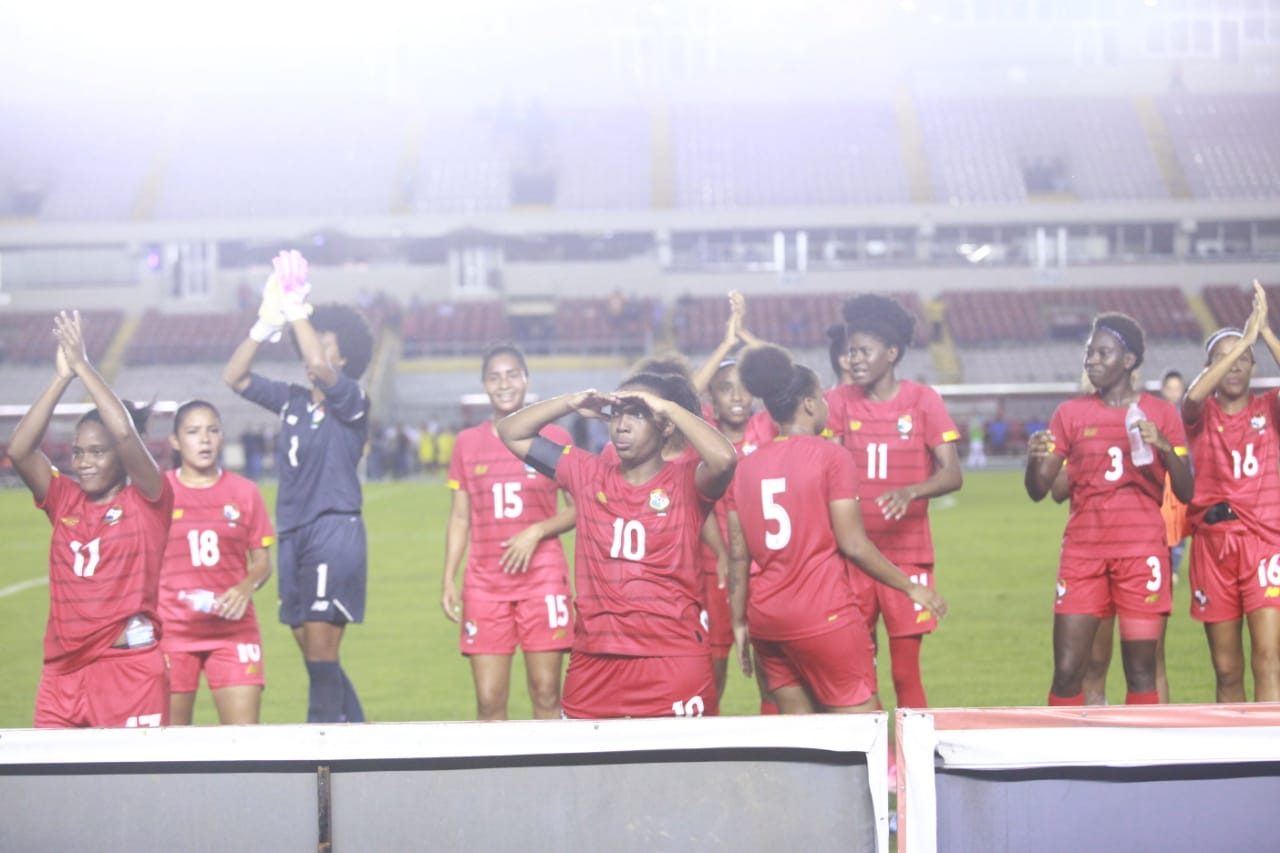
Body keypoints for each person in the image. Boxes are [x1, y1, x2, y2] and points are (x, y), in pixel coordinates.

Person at [496, 372, 737, 719]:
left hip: (670, 661)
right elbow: (511, 432)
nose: (622, 425)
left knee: (679, 758)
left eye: (637, 414)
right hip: (594, 663)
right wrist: (570, 402)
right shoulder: (586, 473)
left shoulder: (688, 483)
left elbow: (725, 459)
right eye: (617, 413)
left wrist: (667, 407)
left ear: (665, 425)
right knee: (581, 757)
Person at [727, 345, 947, 714]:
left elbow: (738, 554)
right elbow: (854, 544)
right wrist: (911, 587)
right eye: (822, 398)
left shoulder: (746, 467)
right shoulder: (831, 456)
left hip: (766, 618)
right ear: (809, 404)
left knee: (802, 735)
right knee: (863, 731)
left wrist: (738, 621)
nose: (828, 405)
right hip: (822, 613)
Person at [223, 250, 374, 723]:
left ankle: (319, 744)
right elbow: (234, 377)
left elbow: (320, 366)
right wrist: (265, 325)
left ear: (344, 356)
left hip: (332, 530)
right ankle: (359, 734)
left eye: (326, 344)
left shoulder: (352, 398)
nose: (316, 351)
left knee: (322, 652)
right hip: (291, 533)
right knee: (314, 654)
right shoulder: (291, 401)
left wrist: (297, 310)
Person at [7, 310, 172, 728]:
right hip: (61, 674)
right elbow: (20, 451)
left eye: (97, 452)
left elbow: (124, 433)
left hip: (127, 671)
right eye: (78, 452)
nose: (84, 462)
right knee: (51, 772)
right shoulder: (64, 499)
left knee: (130, 774)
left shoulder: (148, 500)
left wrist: (83, 365)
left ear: (122, 457)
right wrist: (61, 378)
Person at [1026, 313, 1193, 705]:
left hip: (1141, 554)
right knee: (1067, 673)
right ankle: (1066, 747)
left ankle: (1143, 747)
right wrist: (1033, 460)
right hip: (1083, 554)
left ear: (1129, 360)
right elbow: (1039, 490)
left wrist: (1164, 446)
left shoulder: (1161, 413)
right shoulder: (1070, 414)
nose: (1092, 360)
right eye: (1090, 353)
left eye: (1103, 353)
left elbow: (1186, 490)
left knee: (1141, 672)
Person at [827, 294, 963, 710]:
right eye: (851, 352)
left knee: (906, 672)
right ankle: (871, 750)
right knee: (857, 671)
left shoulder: (923, 400)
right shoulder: (839, 401)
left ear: (891, 353)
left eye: (864, 351)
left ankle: (910, 751)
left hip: (909, 555)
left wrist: (911, 491)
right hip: (853, 557)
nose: (855, 360)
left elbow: (952, 474)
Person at [441, 344, 575, 720]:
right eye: (494, 377)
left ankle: (552, 763)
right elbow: (460, 518)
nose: (504, 384)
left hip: (543, 579)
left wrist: (538, 531)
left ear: (526, 379)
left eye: (512, 374)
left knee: (546, 694)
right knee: (489, 700)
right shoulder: (467, 443)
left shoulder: (554, 438)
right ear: (484, 384)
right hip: (485, 583)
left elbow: (581, 507)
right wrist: (448, 576)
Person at [1182, 282, 1280, 702]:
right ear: (1210, 368)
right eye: (1225, 359)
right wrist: (1242, 342)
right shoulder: (1199, 414)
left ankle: (1270, 742)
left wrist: (1264, 333)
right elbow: (1193, 394)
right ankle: (1235, 741)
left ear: (1255, 367)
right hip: (1212, 546)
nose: (1235, 365)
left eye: (1243, 359)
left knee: (1268, 658)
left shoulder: (1269, 408)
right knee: (1226, 669)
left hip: (1263, 544)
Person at [159, 400, 275, 725]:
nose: (205, 439)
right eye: (193, 432)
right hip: (173, 633)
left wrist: (246, 586)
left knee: (242, 742)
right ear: (175, 441)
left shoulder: (245, 492)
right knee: (170, 745)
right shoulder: (159, 493)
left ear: (222, 437)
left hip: (233, 632)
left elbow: (263, 562)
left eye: (212, 430)